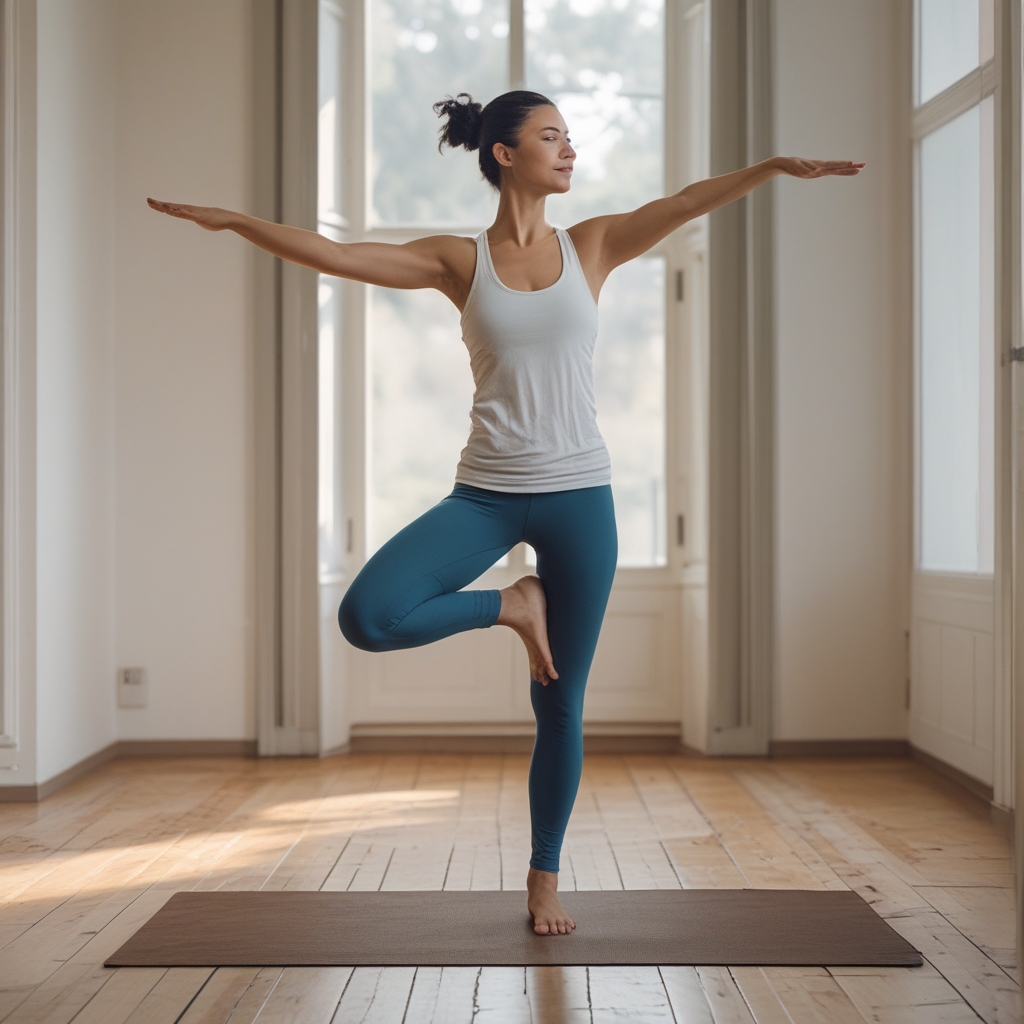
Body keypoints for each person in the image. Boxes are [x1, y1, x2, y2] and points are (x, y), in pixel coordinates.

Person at [149, 89, 863, 935]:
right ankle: (512, 606)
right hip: (484, 494)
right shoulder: (460, 261)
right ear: (503, 154)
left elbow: (684, 202)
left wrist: (774, 167)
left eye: (569, 137)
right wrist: (237, 223)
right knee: (368, 616)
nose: (569, 150)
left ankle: (544, 879)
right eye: (551, 137)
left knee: (562, 701)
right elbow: (338, 255)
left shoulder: (591, 244)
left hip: (579, 497)